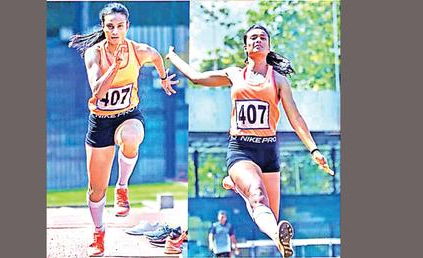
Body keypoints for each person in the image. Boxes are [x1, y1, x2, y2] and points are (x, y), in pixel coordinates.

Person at [166, 24, 334, 257]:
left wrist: (314, 150)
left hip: (268, 152)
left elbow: (295, 117)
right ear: (246, 47)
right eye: (253, 38)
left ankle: (251, 204)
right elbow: (196, 77)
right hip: (241, 150)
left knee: (269, 218)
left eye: (263, 37)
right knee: (257, 196)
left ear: (268, 46)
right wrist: (172, 56)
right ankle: (240, 187)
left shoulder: (278, 80)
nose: (258, 40)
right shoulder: (234, 74)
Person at [68, 2, 178, 257]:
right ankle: (98, 234)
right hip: (100, 122)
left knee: (131, 136)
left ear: (127, 27)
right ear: (103, 28)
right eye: (110, 26)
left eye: (120, 26)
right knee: (96, 188)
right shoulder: (93, 54)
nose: (115, 31)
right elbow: (97, 90)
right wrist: (116, 67)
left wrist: (162, 78)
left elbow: (156, 56)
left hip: (128, 115)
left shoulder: (139, 50)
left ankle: (122, 186)